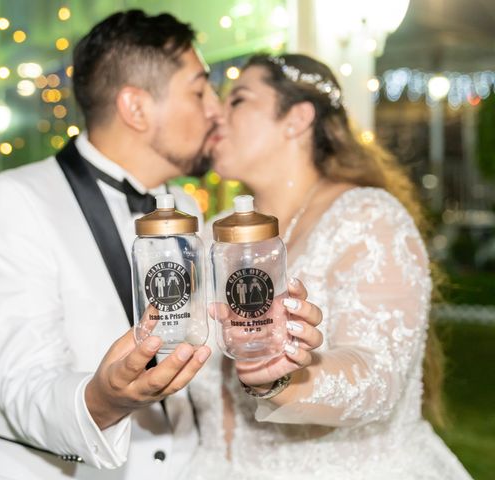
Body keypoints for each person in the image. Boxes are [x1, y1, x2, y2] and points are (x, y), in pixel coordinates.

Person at [0, 11, 324, 480]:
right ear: (135, 108)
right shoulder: (13, 201)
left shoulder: (191, 208)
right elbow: (26, 386)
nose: (216, 110)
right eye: (199, 91)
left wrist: (266, 352)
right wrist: (102, 400)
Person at [186, 54, 472, 479]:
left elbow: (377, 377)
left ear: (297, 119)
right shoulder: (212, 237)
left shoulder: (367, 218)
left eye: (238, 100)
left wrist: (281, 380)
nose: (215, 113)